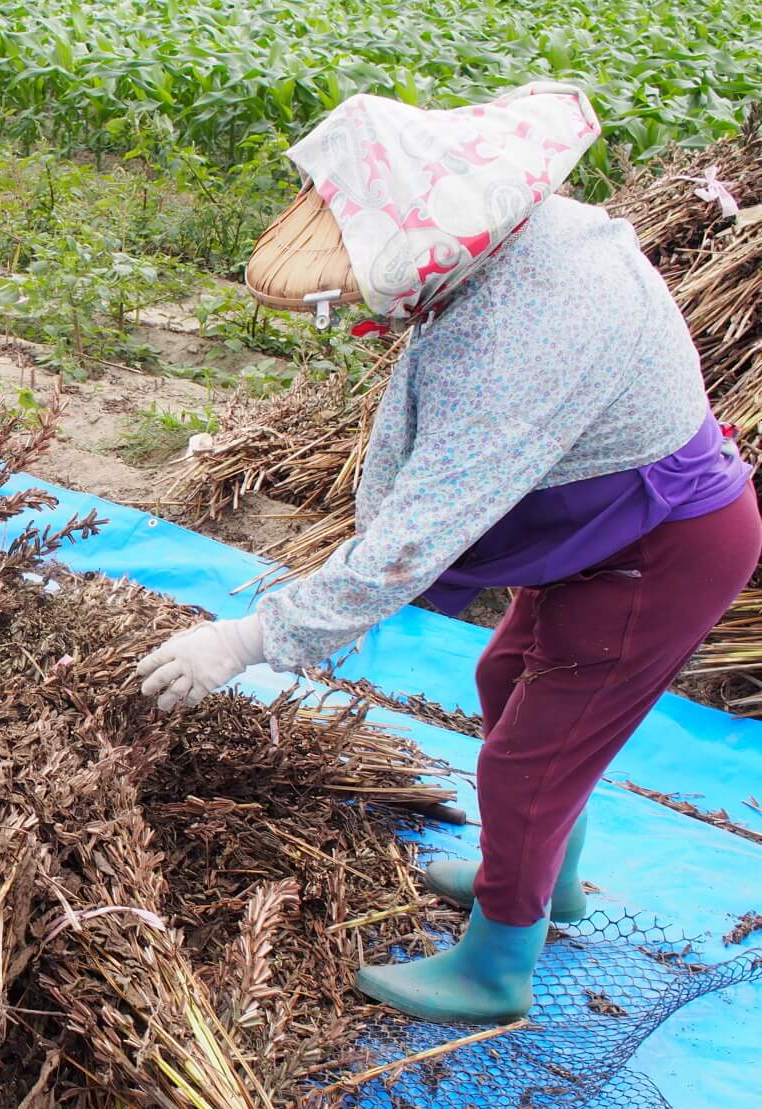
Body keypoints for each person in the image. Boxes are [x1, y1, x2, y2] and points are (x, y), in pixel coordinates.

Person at [137, 84, 762, 1025]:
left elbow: (421, 536)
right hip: (600, 536)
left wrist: (255, 637)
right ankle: (549, 880)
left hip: (657, 554)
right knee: (505, 679)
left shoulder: (529, 332)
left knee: (528, 760)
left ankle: (497, 967)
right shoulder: (528, 236)